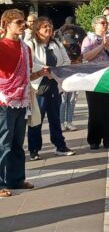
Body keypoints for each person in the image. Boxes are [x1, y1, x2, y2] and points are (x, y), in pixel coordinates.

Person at [0, 9, 44, 197]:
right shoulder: (1, 46)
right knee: (3, 144)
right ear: (6, 24)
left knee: (17, 143)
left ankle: (16, 179)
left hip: (22, 100)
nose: (23, 25)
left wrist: (41, 73)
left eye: (23, 22)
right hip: (4, 101)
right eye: (18, 22)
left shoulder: (26, 48)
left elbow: (28, 74)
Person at [26, 17, 76, 160]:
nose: (48, 29)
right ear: (37, 29)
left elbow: (66, 61)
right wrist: (43, 69)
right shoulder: (31, 44)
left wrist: (56, 71)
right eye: (44, 27)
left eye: (50, 26)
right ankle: (34, 149)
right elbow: (29, 63)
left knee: (55, 117)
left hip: (54, 84)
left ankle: (60, 145)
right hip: (39, 85)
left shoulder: (57, 44)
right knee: (37, 118)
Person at [81, 16, 109, 149]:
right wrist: (101, 46)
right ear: (95, 25)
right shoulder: (88, 39)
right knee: (95, 110)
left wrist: (108, 46)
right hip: (94, 78)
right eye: (102, 23)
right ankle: (94, 140)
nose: (105, 25)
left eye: (107, 23)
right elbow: (86, 56)